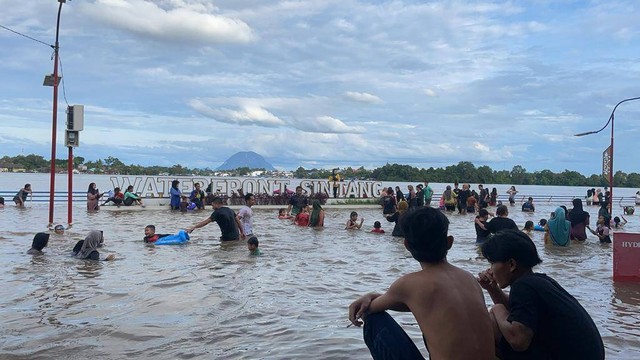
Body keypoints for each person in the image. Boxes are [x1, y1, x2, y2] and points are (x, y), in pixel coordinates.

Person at [348, 207, 495, 360]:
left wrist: (369, 297)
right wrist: (374, 296)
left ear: (406, 245)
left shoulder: (409, 284)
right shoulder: (468, 278)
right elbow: (424, 304)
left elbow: (366, 308)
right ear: (449, 242)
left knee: (372, 317)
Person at [478, 230, 604, 359]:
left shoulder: (524, 286)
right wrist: (492, 289)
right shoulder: (538, 282)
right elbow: (517, 312)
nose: (490, 269)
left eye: (492, 263)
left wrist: (496, 308)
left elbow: (519, 341)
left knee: (493, 321)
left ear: (511, 264)